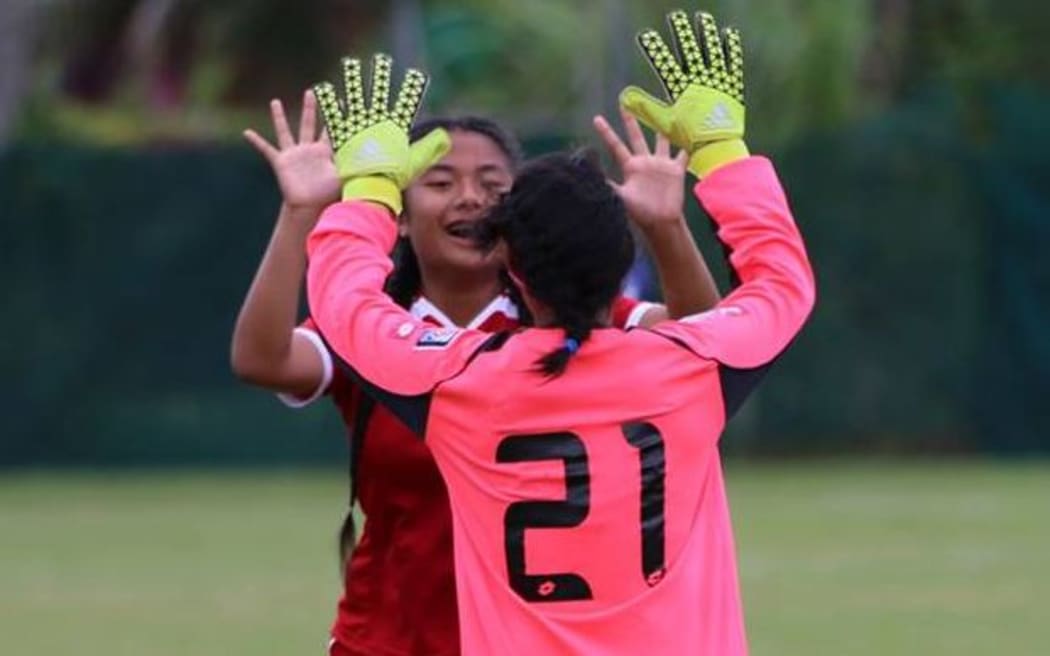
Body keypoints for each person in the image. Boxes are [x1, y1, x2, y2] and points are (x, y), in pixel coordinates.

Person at [303, 10, 815, 655]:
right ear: (622, 265)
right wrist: (722, 154)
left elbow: (344, 299)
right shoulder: (693, 369)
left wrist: (371, 188)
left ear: (512, 265)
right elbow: (781, 280)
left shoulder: (460, 383)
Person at [233, 62, 722, 656]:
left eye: (493, 185)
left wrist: (667, 226)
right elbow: (262, 357)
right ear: (400, 216)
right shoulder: (373, 329)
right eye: (440, 183)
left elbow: (701, 339)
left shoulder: (570, 321)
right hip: (390, 640)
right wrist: (302, 212)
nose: (469, 197)